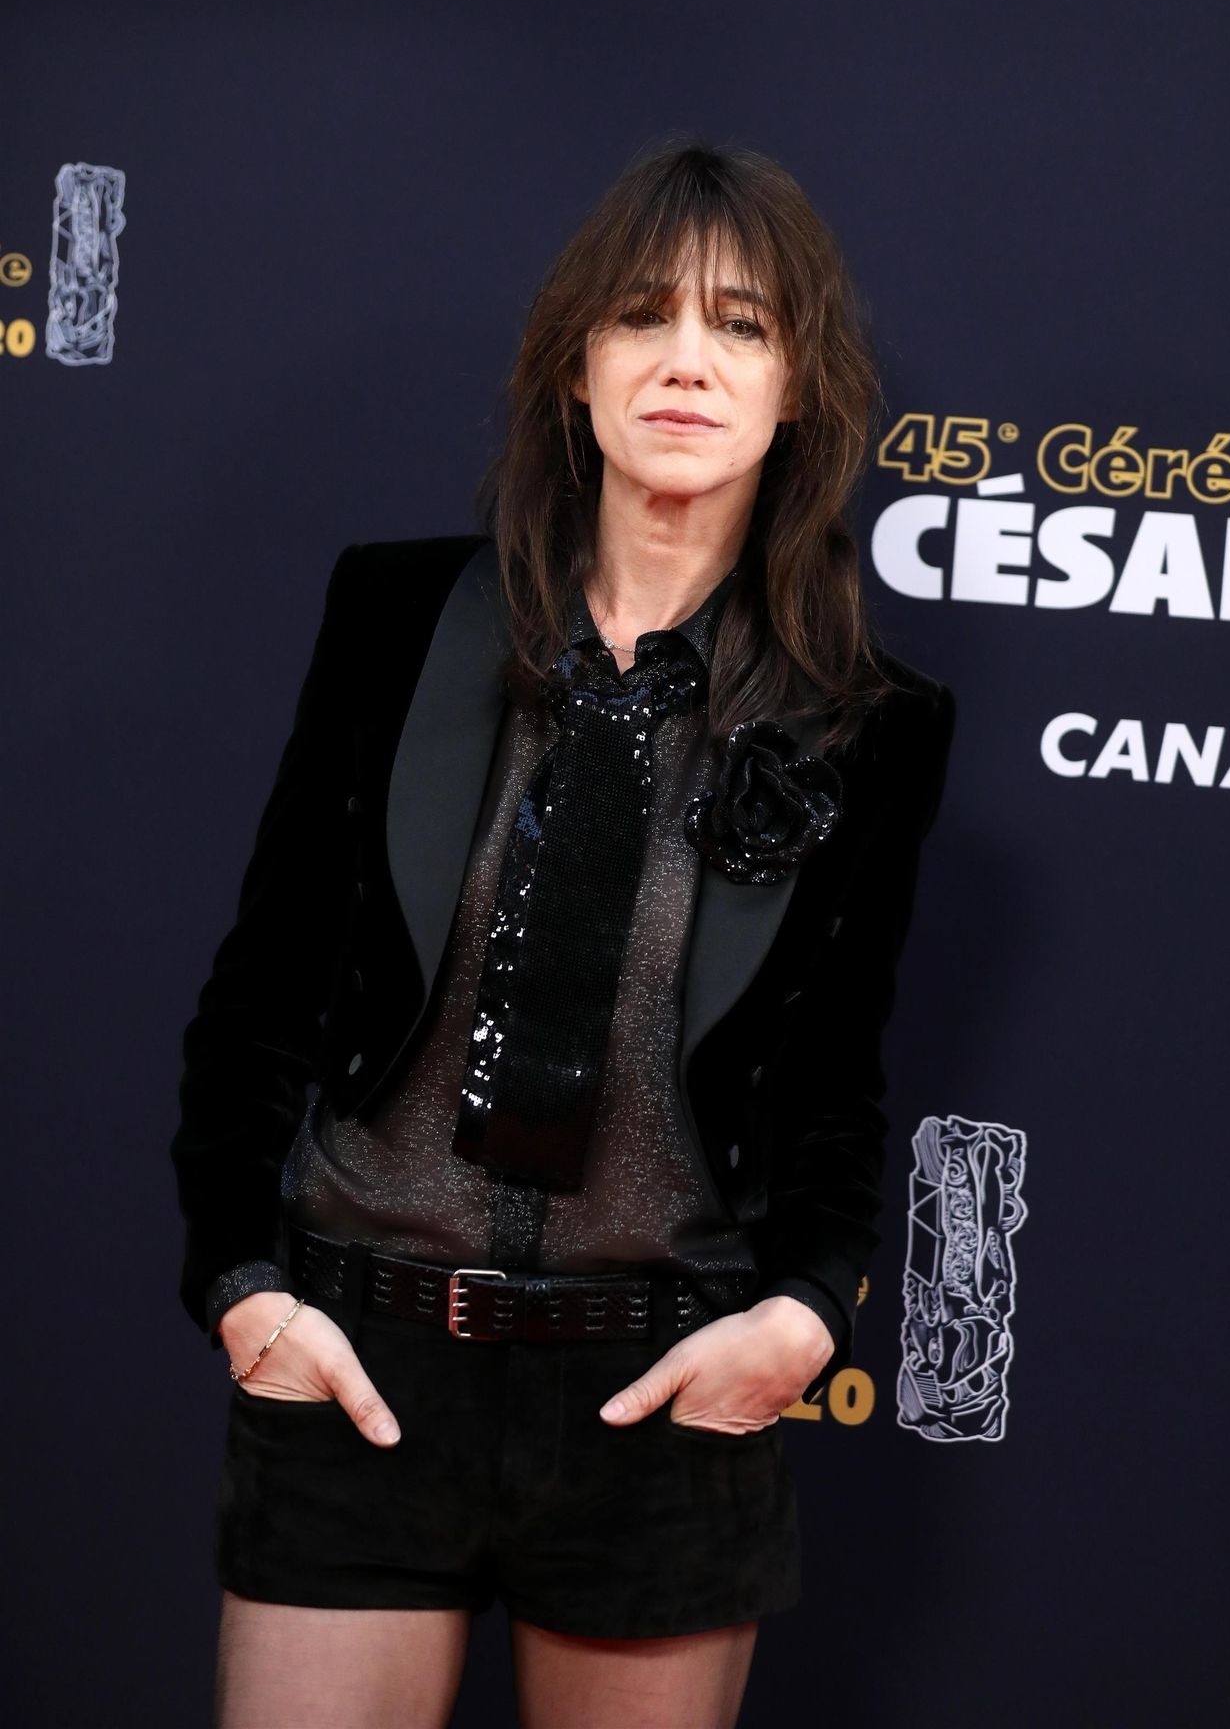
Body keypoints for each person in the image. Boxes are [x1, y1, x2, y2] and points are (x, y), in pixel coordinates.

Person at [169, 139, 956, 1729]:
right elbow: (262, 998)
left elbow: (831, 1085)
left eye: (741, 324)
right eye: (642, 315)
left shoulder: (871, 725)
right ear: (574, 365)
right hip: (360, 1367)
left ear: (798, 387)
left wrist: (802, 1318)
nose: (686, 360)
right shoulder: (398, 619)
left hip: (665, 1396)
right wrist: (246, 1289)